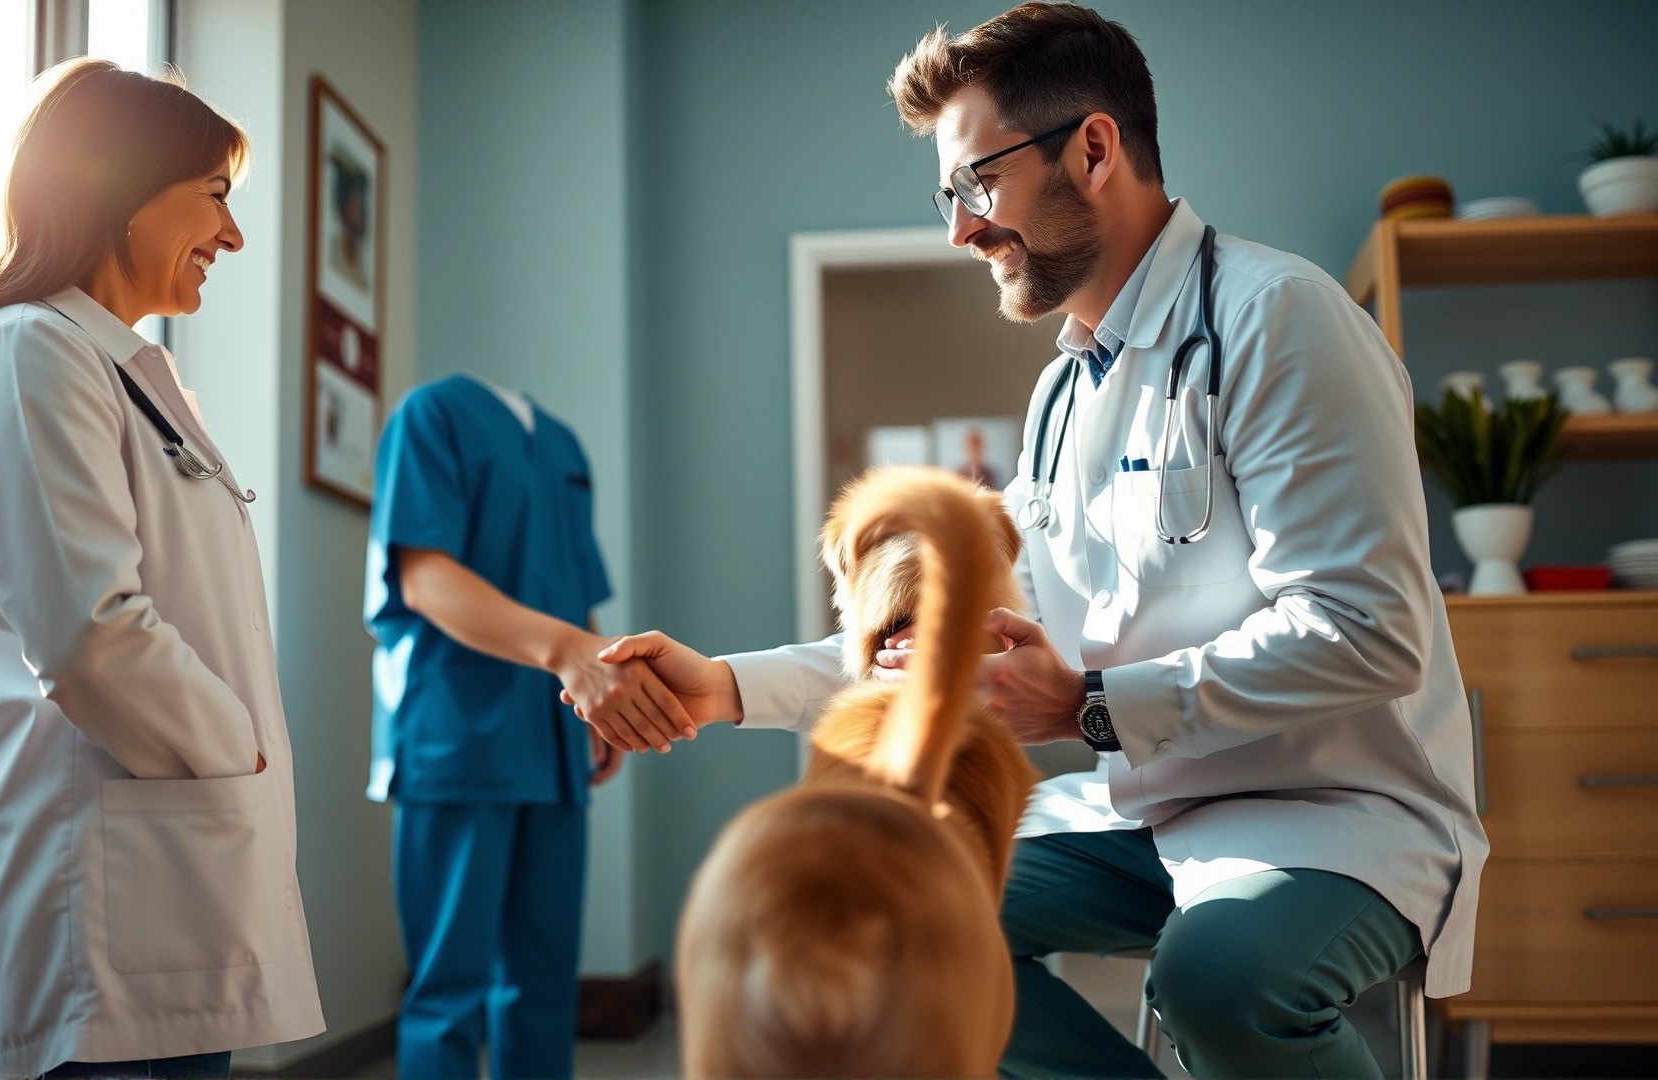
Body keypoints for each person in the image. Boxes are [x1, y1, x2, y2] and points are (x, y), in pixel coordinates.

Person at [589, 5, 1486, 1077]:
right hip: (1147, 810)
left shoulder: (1280, 317)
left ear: (1095, 148)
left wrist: (1090, 702)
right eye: (949, 194)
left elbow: (1368, 632)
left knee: (1214, 980)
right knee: (881, 920)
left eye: (977, 183)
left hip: (1333, 813)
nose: (960, 228)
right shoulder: (1064, 394)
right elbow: (956, 643)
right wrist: (720, 688)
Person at [0, 60, 322, 1079]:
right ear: (121, 188)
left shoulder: (123, 370)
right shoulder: (30, 352)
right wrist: (241, 753)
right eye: (218, 196)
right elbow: (90, 637)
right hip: (104, 902)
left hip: (173, 874)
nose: (232, 237)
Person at [365, 372, 691, 1080]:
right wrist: (573, 655)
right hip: (456, 735)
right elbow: (425, 579)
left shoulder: (565, 449)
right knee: (449, 987)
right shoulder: (432, 416)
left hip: (552, 739)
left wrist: (603, 696)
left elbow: (580, 596)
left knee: (543, 986)